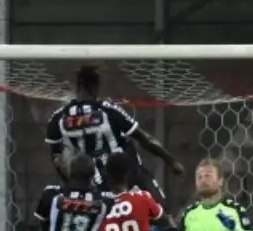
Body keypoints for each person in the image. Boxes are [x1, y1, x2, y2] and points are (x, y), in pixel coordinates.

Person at [45, 64, 184, 200]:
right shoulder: (108, 109)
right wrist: (171, 161)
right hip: (129, 177)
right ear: (95, 87)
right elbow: (145, 139)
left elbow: (57, 158)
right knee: (156, 210)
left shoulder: (58, 117)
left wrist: (68, 184)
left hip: (95, 186)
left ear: (77, 87)